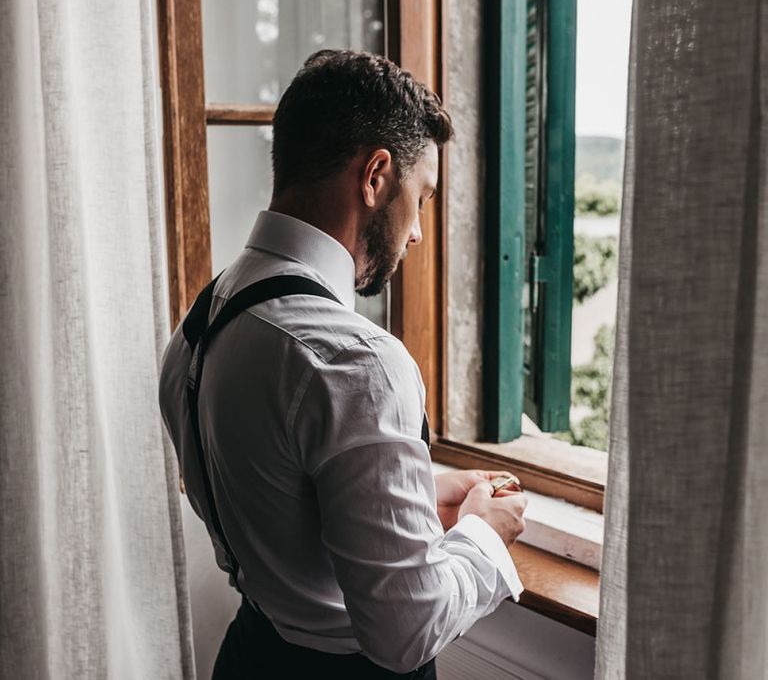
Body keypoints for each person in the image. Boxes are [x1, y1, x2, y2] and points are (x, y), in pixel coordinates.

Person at [159, 49, 528, 679]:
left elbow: (272, 491)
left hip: (249, 655)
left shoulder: (201, 320)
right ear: (376, 176)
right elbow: (406, 632)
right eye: (423, 196)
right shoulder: (356, 362)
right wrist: (484, 534)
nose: (416, 233)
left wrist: (415, 490)